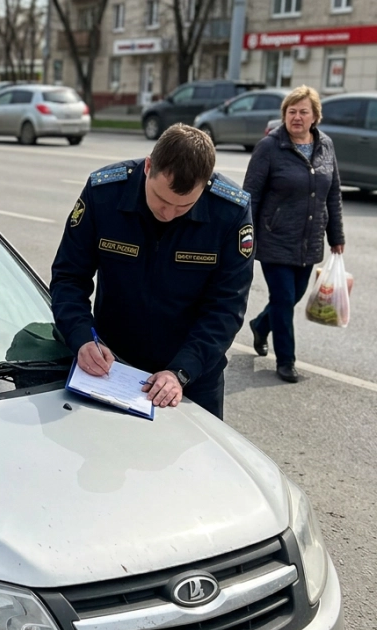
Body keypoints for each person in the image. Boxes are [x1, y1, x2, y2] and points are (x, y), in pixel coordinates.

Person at [50, 124, 254, 419]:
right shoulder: (104, 194)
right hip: (112, 366)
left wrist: (180, 371)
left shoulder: (230, 211)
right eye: (162, 200)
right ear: (148, 167)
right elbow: (69, 277)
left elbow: (226, 307)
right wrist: (81, 337)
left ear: (206, 184)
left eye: (183, 206)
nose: (168, 213)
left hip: (192, 375)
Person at [243, 86, 345, 383]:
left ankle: (261, 325)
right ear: (284, 115)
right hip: (274, 238)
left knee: (292, 297)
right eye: (291, 111)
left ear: (315, 116)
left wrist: (336, 235)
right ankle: (286, 361)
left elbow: (333, 193)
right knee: (284, 297)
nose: (297, 117)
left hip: (309, 240)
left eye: (303, 112)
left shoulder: (325, 145)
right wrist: (246, 237)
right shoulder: (269, 147)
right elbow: (251, 194)